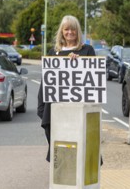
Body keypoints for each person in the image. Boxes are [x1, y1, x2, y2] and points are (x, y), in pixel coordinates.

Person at [37, 15, 96, 162]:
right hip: (55, 108)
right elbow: (46, 81)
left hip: (78, 109)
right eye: (66, 29)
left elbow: (93, 80)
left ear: (78, 31)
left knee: (79, 146)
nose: (70, 32)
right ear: (62, 31)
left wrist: (78, 63)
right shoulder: (53, 52)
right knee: (59, 146)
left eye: (73, 29)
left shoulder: (87, 50)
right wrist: (42, 107)